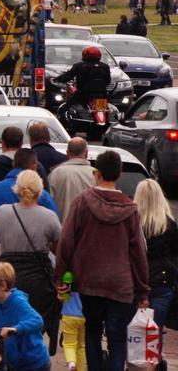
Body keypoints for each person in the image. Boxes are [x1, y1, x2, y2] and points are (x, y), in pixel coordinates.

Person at [54, 150, 149, 371]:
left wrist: (60, 276)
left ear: (96, 173)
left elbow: (66, 242)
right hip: (121, 285)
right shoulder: (130, 209)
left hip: (90, 282)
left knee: (93, 333)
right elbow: (138, 252)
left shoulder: (82, 203)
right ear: (119, 174)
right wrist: (143, 290)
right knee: (117, 340)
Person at [0, 169, 62, 346]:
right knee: (33, 325)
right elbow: (59, 250)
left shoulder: (3, 212)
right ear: (40, 191)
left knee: (8, 324)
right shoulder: (49, 217)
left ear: (16, 189)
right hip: (39, 282)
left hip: (8, 279)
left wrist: (3, 235)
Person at [0, 149, 58, 258]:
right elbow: (57, 239)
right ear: (35, 166)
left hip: (1, 262)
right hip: (35, 266)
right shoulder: (45, 199)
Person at [0, 127, 47, 234]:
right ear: (21, 144)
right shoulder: (36, 167)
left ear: (3, 143)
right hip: (32, 232)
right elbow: (47, 199)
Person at [134, 179, 178, 366]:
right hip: (162, 282)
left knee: (135, 332)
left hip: (136, 283)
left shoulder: (133, 223)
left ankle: (136, 364)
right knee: (154, 331)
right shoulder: (169, 224)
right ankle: (152, 363)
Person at [0, 262, 52, 371]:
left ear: (3, 286)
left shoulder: (18, 302)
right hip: (14, 362)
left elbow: (37, 320)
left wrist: (15, 329)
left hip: (34, 364)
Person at [51, 45, 111, 111]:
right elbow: (108, 81)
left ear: (85, 55)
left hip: (83, 94)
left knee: (66, 107)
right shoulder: (105, 66)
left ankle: (68, 119)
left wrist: (56, 79)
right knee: (102, 111)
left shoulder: (79, 66)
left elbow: (67, 76)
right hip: (102, 95)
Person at [48, 137, 95, 220]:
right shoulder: (96, 175)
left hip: (62, 228)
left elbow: (48, 204)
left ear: (67, 153)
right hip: (88, 230)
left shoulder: (56, 173)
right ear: (86, 153)